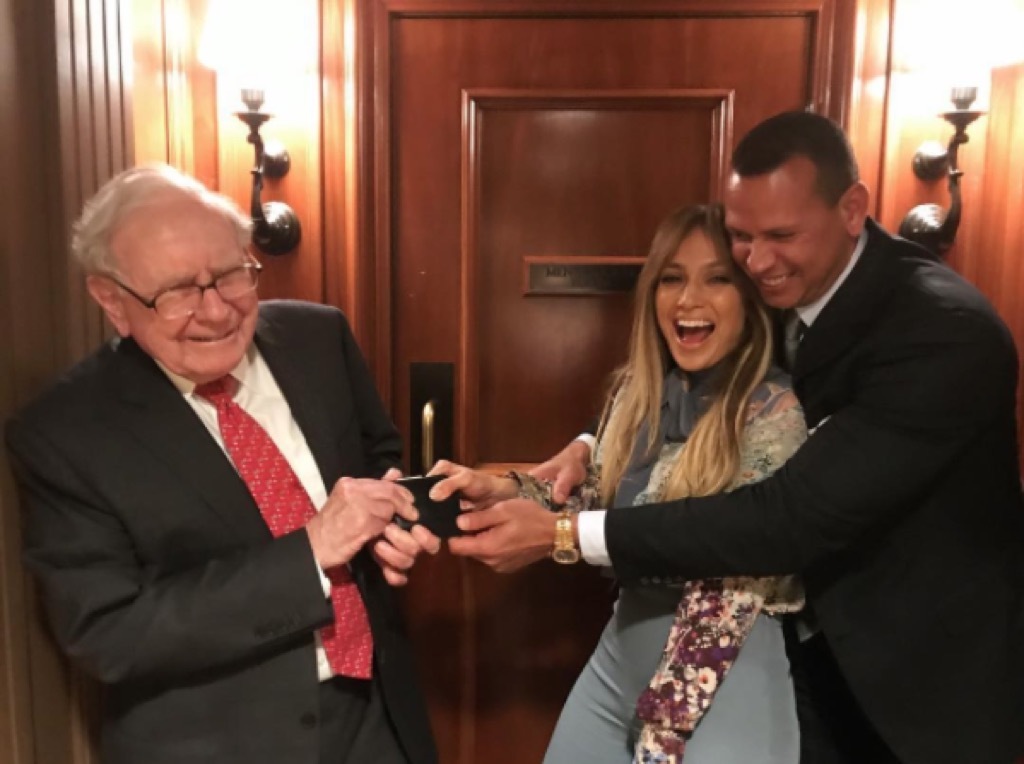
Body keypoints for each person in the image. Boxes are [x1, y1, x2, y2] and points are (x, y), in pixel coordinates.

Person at [435, 112, 1024, 764]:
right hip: (809, 669)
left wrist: (564, 535)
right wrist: (578, 451)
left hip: (919, 685)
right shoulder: (783, 299)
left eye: (780, 235)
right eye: (742, 238)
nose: (757, 262)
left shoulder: (941, 331)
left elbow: (784, 517)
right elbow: (677, 431)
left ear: (853, 209)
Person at [5, 165, 440, 764]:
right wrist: (310, 551)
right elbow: (109, 633)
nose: (216, 312)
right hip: (217, 743)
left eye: (232, 275)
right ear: (112, 300)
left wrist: (389, 523)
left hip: (376, 716)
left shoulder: (320, 338)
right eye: (177, 291)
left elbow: (377, 459)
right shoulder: (65, 432)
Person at [432, 204, 808, 762]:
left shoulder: (774, 414)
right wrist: (504, 490)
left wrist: (556, 535)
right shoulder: (636, 392)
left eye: (717, 280)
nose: (688, 300)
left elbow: (716, 547)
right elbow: (599, 498)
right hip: (618, 664)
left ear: (750, 300)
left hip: (723, 672)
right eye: (672, 278)